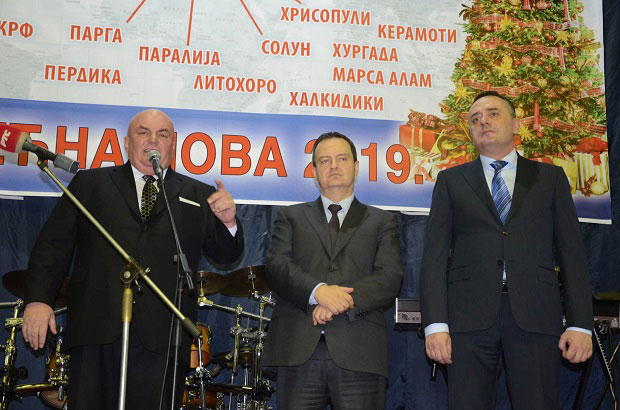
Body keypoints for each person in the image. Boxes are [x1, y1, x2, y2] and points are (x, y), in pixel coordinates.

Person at [22, 109, 244, 409]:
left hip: (164, 337)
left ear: (173, 144)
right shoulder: (91, 183)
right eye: (143, 132)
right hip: (96, 331)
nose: (153, 140)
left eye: (162, 134)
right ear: (127, 143)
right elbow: (52, 246)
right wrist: (38, 300)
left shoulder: (197, 193)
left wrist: (228, 223)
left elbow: (226, 255)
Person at [420, 91, 593, 409]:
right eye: (475, 118)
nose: (483, 121)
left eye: (493, 114)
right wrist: (435, 325)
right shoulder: (451, 181)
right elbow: (433, 258)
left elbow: (572, 254)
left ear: (515, 124)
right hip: (467, 319)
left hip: (536, 314)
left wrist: (581, 323)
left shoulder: (550, 178)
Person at [261, 132, 403, 409]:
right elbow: (277, 267)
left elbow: (389, 277)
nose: (334, 166)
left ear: (356, 166)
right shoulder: (290, 217)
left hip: (360, 352)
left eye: (342, 159)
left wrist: (339, 301)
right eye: (324, 161)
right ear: (314, 171)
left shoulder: (382, 221)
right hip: (298, 351)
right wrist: (318, 292)